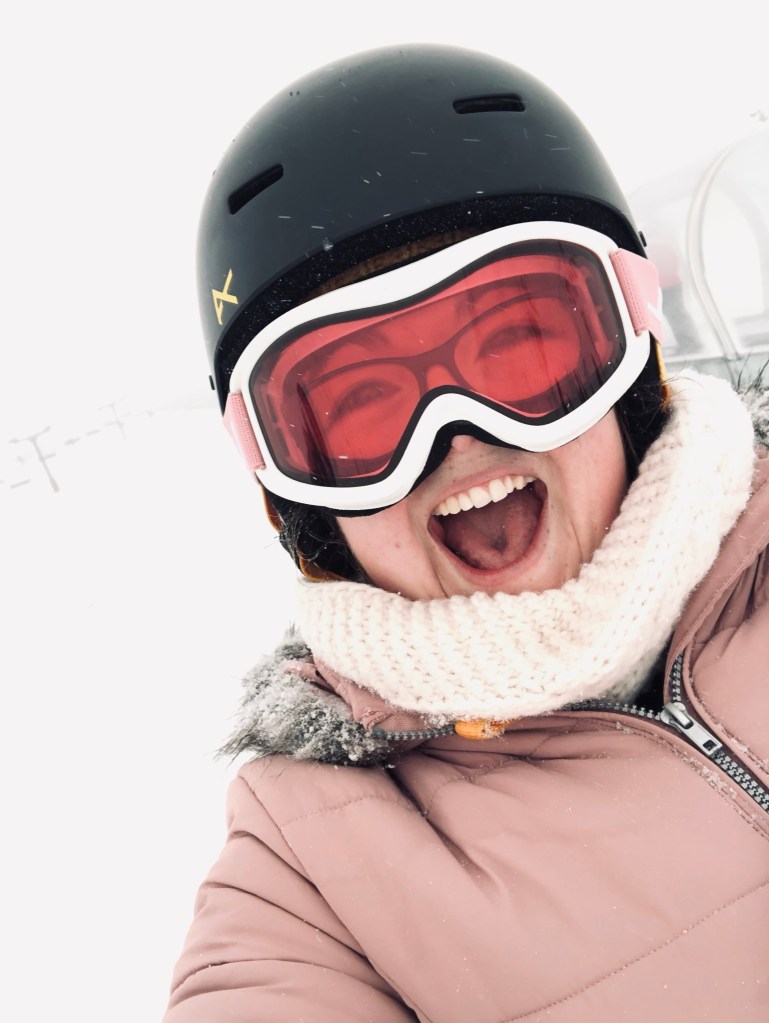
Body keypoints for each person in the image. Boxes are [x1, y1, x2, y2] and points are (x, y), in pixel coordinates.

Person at [164, 44, 769, 1022]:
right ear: (300, 498)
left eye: (519, 344)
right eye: (361, 410)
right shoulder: (315, 879)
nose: (460, 437)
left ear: (628, 356)